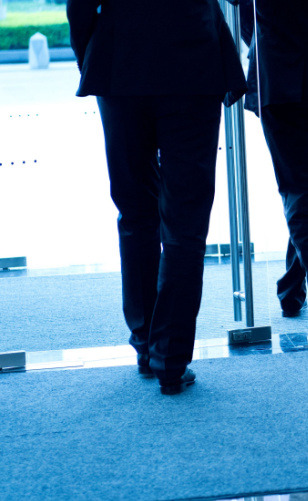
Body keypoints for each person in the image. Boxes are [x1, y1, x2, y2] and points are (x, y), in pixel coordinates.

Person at [66, 0, 247, 395]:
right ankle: (170, 357)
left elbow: (79, 5)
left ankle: (146, 344)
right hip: (193, 60)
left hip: (120, 59)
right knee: (186, 218)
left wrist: (91, 54)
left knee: (134, 211)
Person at [241, 0, 308, 339]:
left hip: (279, 74)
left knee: (299, 192)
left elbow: (244, 12)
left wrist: (265, 41)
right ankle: (292, 286)